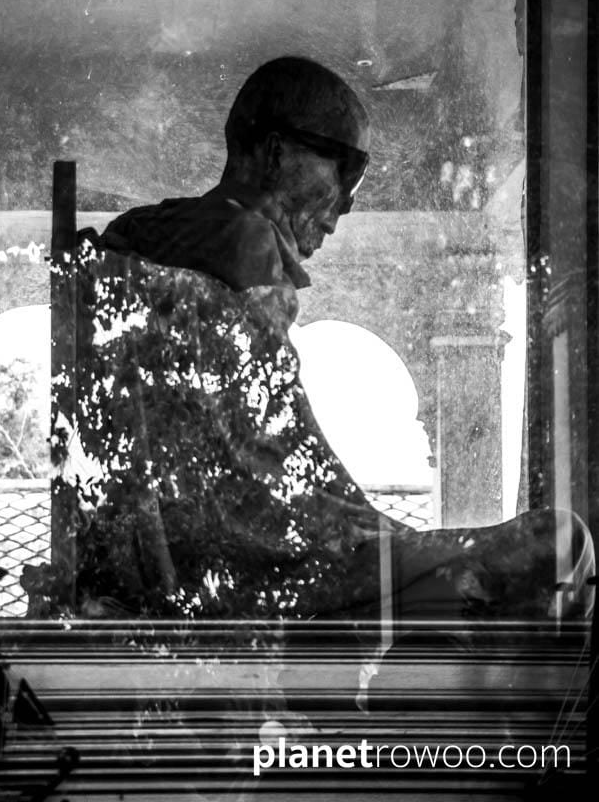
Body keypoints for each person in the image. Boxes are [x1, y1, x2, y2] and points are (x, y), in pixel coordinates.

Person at [52, 57, 590, 623]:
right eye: (346, 168)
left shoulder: (139, 234)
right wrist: (381, 536)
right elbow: (284, 470)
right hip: (270, 569)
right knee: (558, 541)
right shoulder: (245, 237)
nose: (348, 202)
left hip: (205, 563)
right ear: (276, 152)